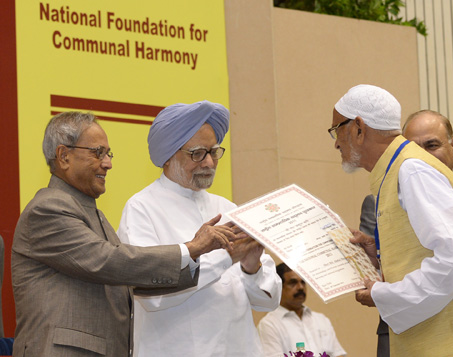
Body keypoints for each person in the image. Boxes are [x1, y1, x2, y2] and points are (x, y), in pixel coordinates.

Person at [11, 111, 236, 356]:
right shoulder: (48, 208)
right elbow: (109, 261)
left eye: (108, 154)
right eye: (98, 153)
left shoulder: (92, 214)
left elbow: (131, 283)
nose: (108, 163)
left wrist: (195, 265)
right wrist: (192, 249)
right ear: (64, 156)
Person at [329, 84, 453, 356]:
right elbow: (430, 250)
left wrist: (384, 295)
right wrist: (380, 256)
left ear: (359, 128)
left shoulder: (412, 170)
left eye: (336, 129)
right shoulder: (398, 169)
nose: (336, 142)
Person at [117, 100, 282, 356]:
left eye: (214, 152)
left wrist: (251, 267)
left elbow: (268, 302)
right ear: (169, 155)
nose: (209, 163)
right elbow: (152, 294)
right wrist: (225, 257)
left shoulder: (228, 208)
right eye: (197, 154)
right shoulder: (142, 208)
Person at [258, 263, 346, 357]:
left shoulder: (321, 320)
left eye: (303, 282)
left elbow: (338, 354)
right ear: (278, 287)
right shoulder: (269, 324)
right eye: (293, 283)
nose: (300, 287)